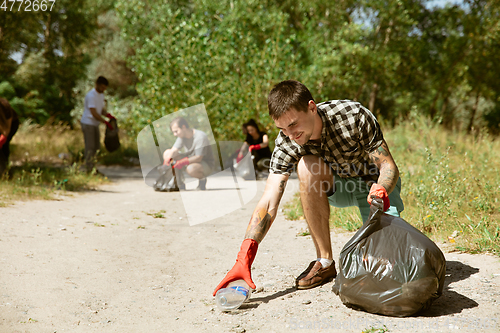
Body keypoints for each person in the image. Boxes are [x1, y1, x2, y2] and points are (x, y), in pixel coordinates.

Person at [213, 80, 404, 295]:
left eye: (293, 125)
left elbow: (388, 165)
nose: (290, 135)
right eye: (282, 129)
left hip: (376, 190)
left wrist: (381, 189)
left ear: (312, 108)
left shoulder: (353, 116)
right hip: (337, 188)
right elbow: (269, 199)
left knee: (390, 265)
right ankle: (324, 262)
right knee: (305, 166)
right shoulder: (286, 141)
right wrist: (245, 255)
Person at [162, 117, 215, 191]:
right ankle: (179, 183)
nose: (175, 134)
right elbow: (173, 151)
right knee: (167, 153)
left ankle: (202, 181)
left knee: (191, 169)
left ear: (183, 127)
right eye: (173, 132)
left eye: (176, 131)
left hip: (205, 163)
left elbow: (198, 157)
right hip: (190, 160)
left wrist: (181, 162)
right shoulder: (181, 136)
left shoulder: (200, 137)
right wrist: (166, 162)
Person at [80, 76, 115, 172]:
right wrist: (105, 122)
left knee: (96, 147)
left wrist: (108, 116)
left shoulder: (101, 95)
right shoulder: (91, 95)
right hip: (88, 123)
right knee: (90, 147)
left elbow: (101, 110)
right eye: (102, 87)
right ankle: (89, 168)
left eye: (105, 88)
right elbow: (94, 112)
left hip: (95, 124)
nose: (103, 90)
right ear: (97, 85)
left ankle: (93, 167)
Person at [0, 98, 19, 175]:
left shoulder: (4, 105)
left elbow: (6, 130)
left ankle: (5, 172)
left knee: (3, 146)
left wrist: (1, 141)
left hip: (11, 125)